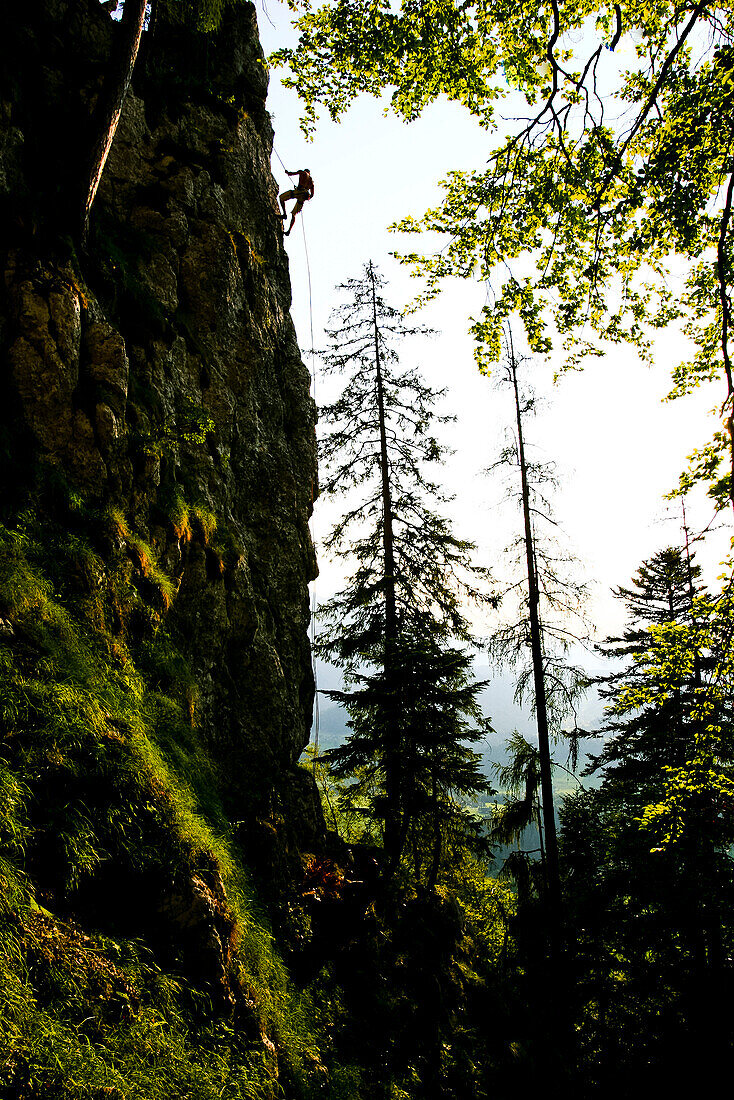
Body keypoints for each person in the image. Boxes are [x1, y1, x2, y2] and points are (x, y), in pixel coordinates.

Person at [279, 169, 315, 236]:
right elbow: (312, 195)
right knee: (294, 214)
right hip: (303, 196)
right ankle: (289, 230)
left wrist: (287, 172)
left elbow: (291, 173)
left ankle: (284, 214)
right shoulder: (311, 182)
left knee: (281, 198)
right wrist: (307, 197)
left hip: (298, 192)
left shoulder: (302, 172)